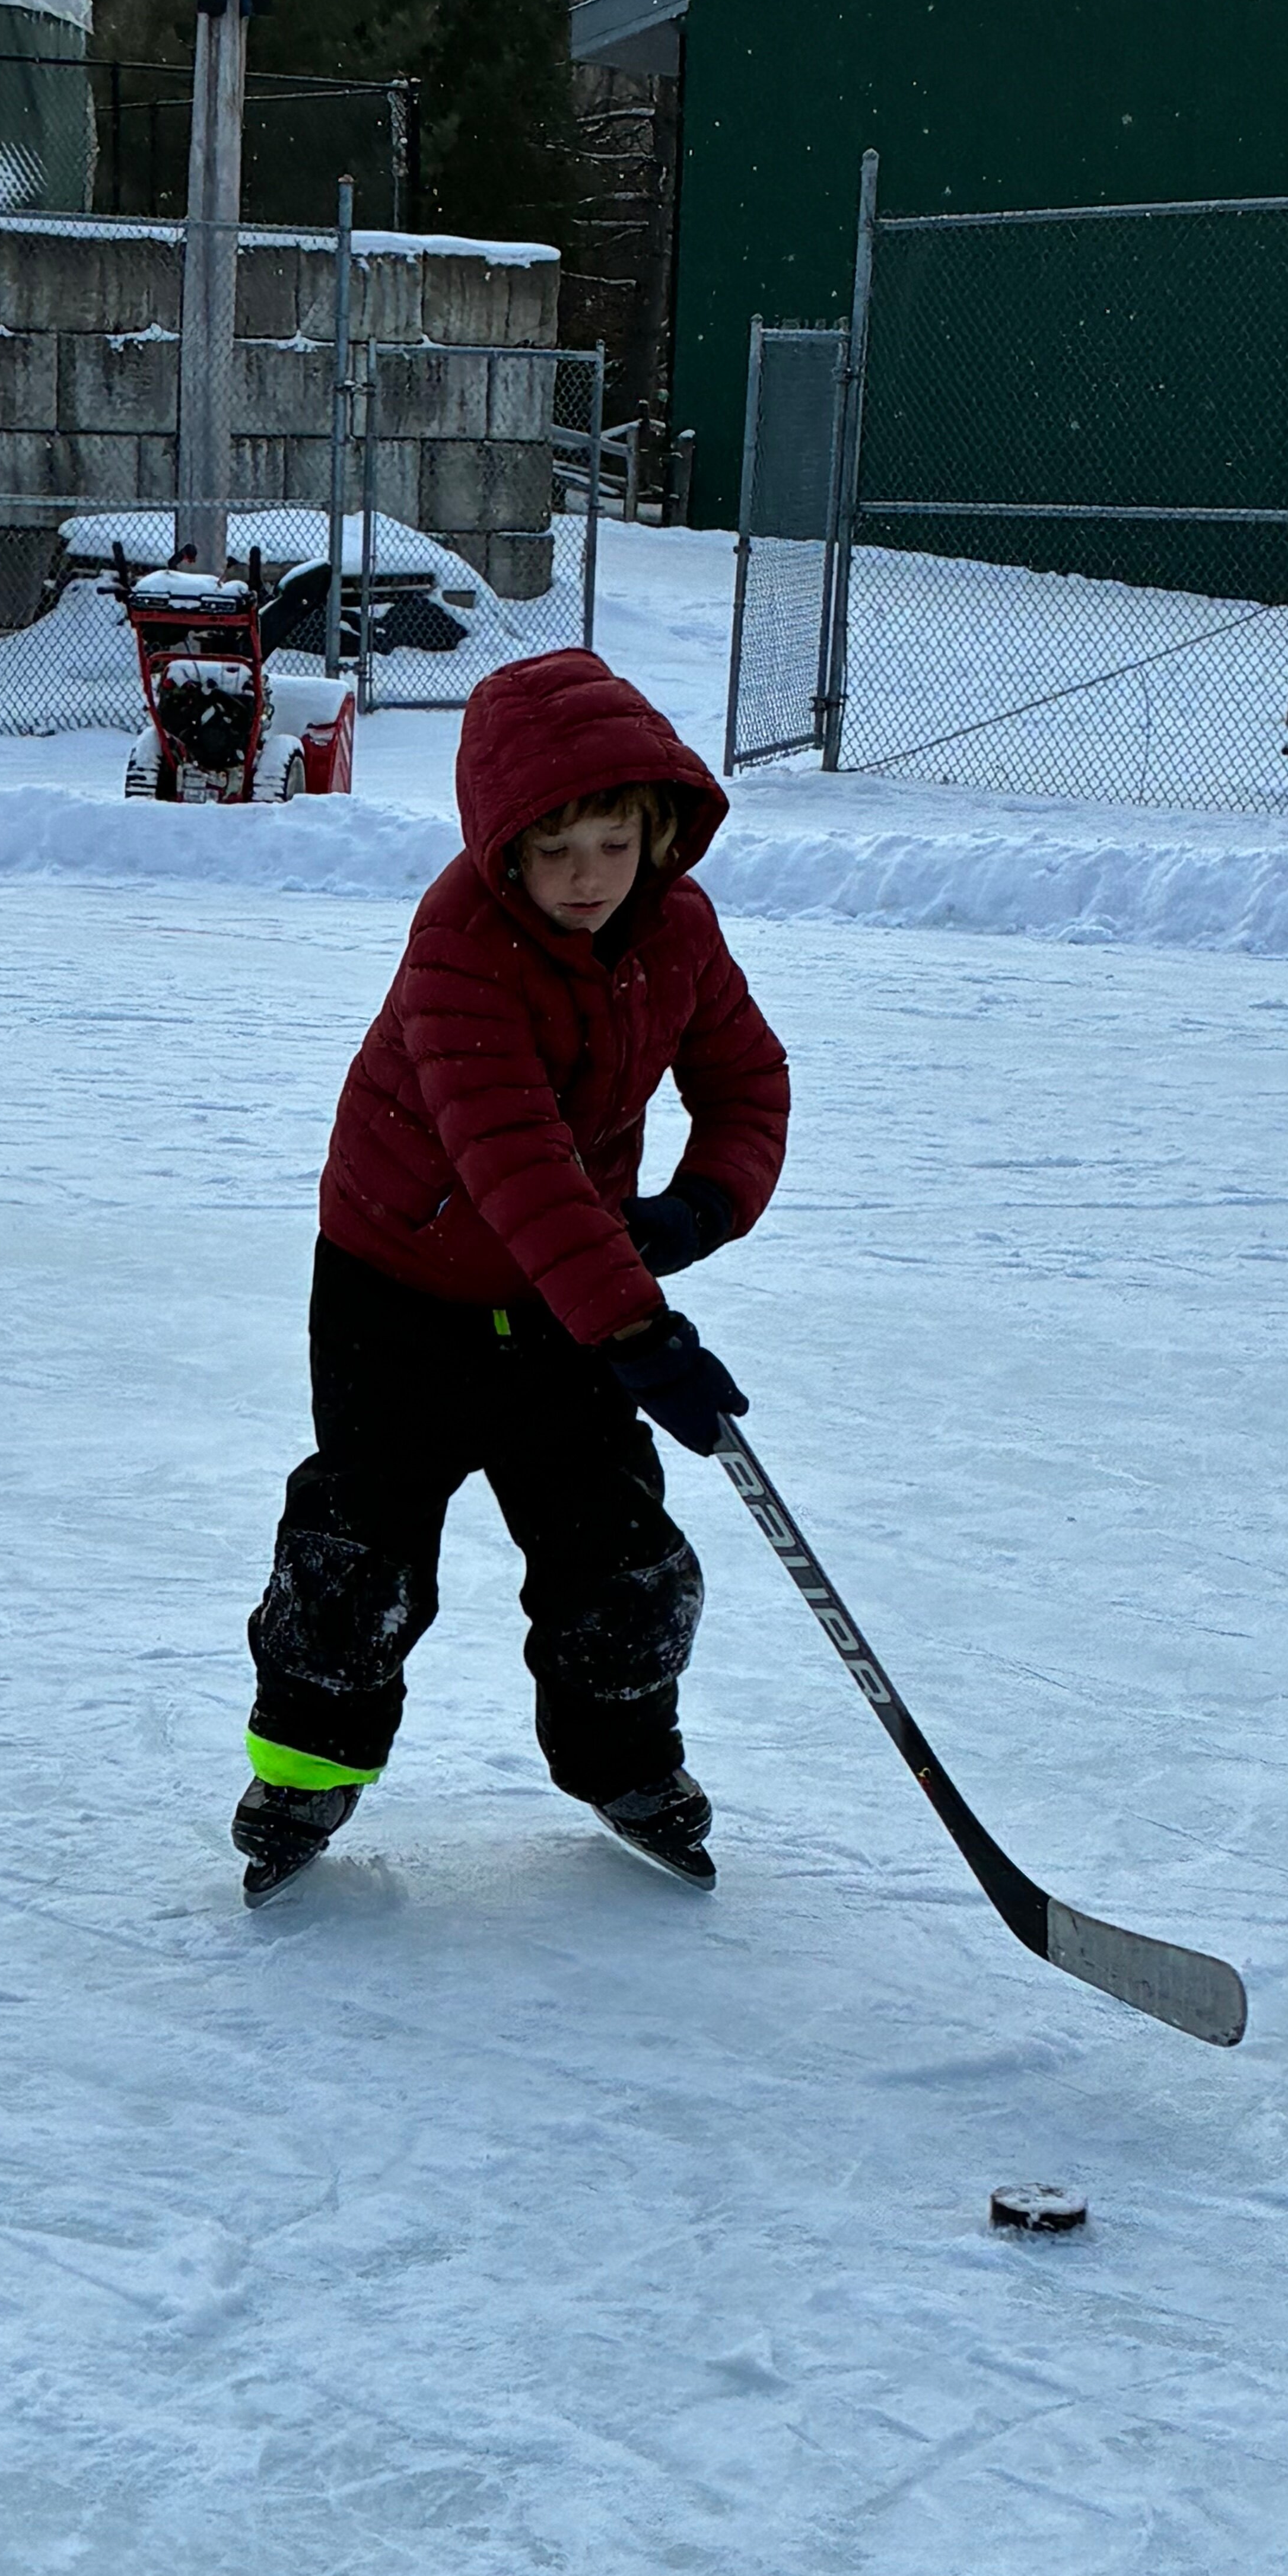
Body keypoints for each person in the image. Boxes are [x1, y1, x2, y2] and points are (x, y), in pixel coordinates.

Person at [232, 644, 790, 1904]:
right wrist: (636, 1327)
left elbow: (749, 1084)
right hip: (397, 1296)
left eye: (613, 844)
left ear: (658, 833)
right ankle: (305, 1775)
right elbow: (516, 1162)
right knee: (359, 1555)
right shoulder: (461, 949)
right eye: (554, 850)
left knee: (620, 1557)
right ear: (503, 849)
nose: (587, 878)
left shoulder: (678, 933)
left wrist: (698, 1211)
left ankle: (626, 1764)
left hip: (562, 1297)